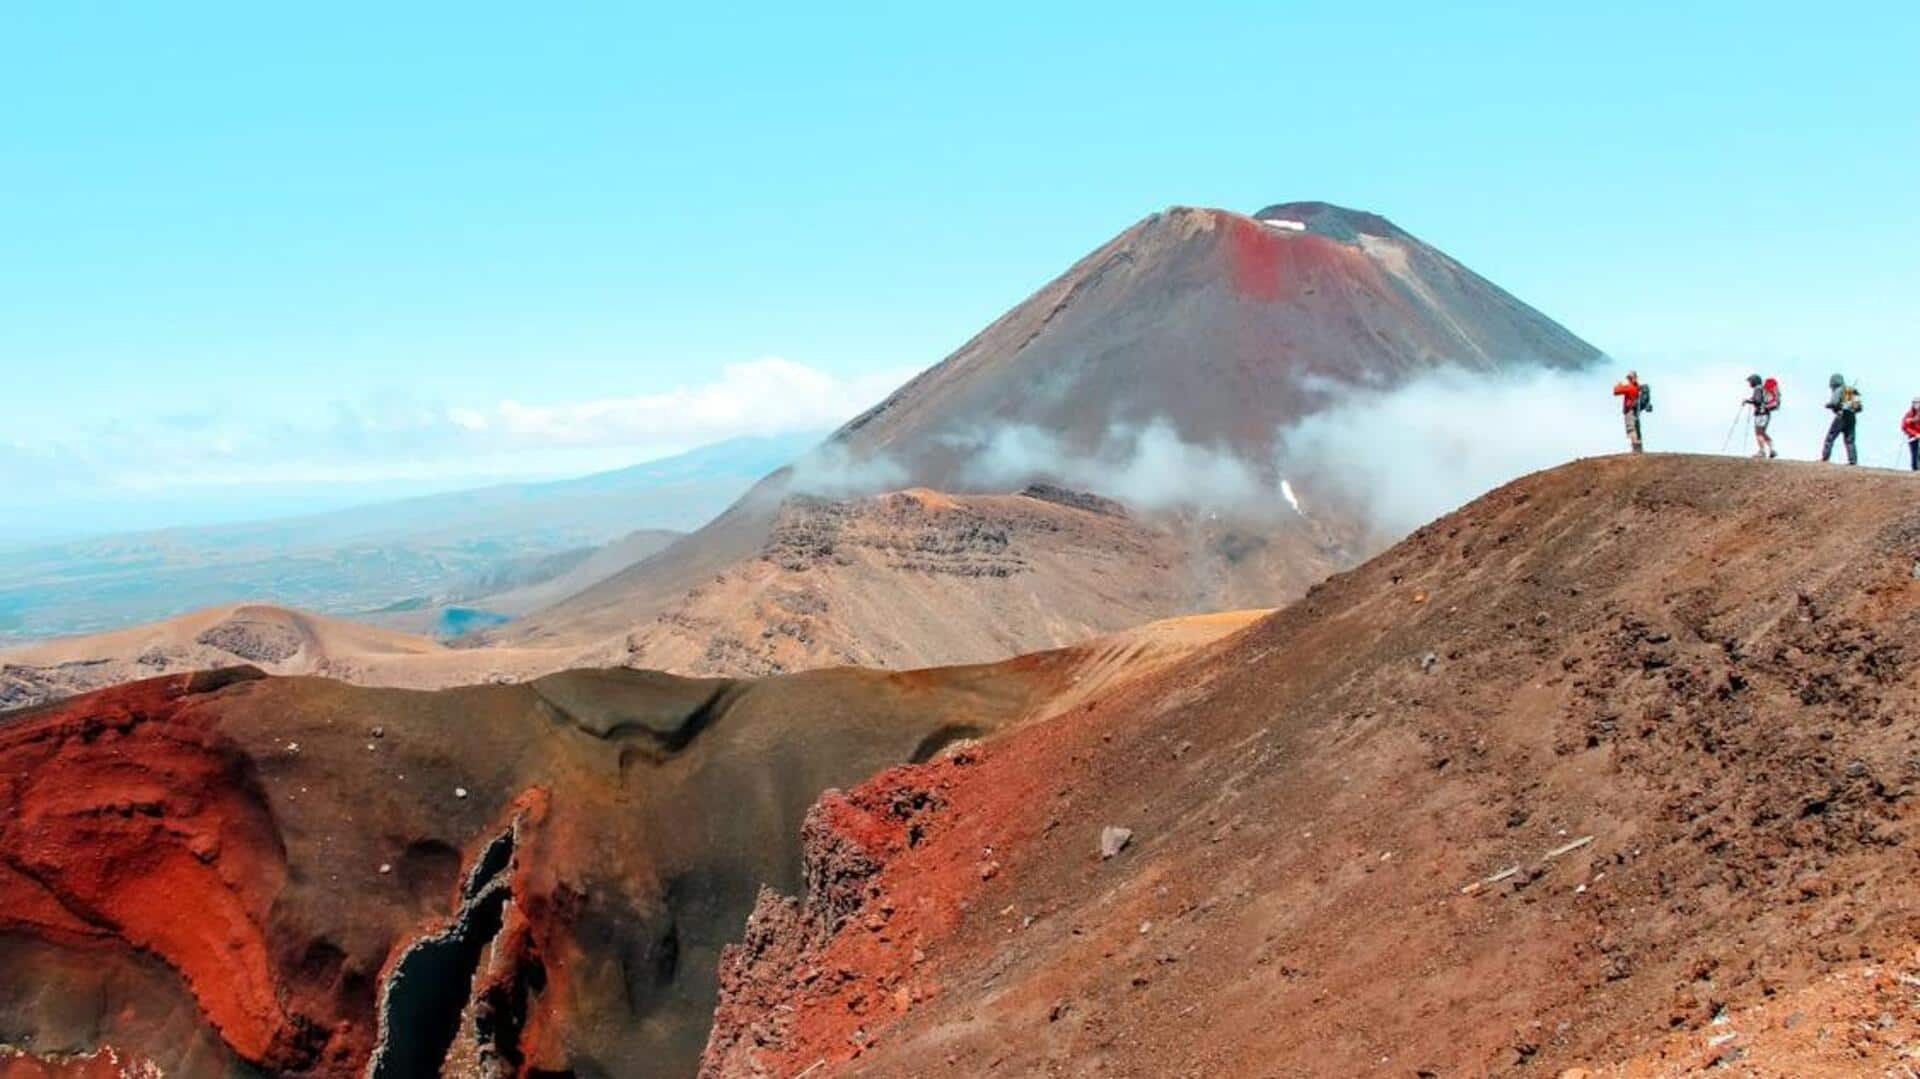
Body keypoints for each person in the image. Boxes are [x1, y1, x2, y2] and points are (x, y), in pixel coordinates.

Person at [1821, 373, 1861, 465]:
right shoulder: (1850, 391)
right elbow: (1858, 407)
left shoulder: (1839, 390)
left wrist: (1828, 405)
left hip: (1841, 416)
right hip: (1852, 417)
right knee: (1850, 440)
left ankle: (1825, 458)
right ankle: (1853, 461)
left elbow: (1834, 402)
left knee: (1830, 437)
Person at [1745, 374, 1778, 459]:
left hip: (1760, 413)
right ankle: (1772, 450)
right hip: (1766, 413)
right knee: (1762, 432)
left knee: (1758, 432)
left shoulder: (1758, 389)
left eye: (1750, 381)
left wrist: (1748, 401)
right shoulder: (1763, 389)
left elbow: (1758, 401)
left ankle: (1762, 451)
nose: (1749, 383)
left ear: (1754, 381)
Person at [1613, 370, 1644, 453]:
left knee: (1631, 429)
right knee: (1636, 428)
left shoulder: (1629, 387)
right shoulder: (1638, 387)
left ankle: (1635, 449)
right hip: (1636, 410)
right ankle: (1639, 448)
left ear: (1630, 378)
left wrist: (1619, 384)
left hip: (1629, 410)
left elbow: (1615, 392)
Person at [1903, 398, 1920, 471]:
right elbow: (1904, 427)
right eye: (1915, 403)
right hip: (1912, 437)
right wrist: (1915, 434)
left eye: (1918, 403)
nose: (1916, 404)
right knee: (1914, 454)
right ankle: (1915, 470)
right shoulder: (1909, 414)